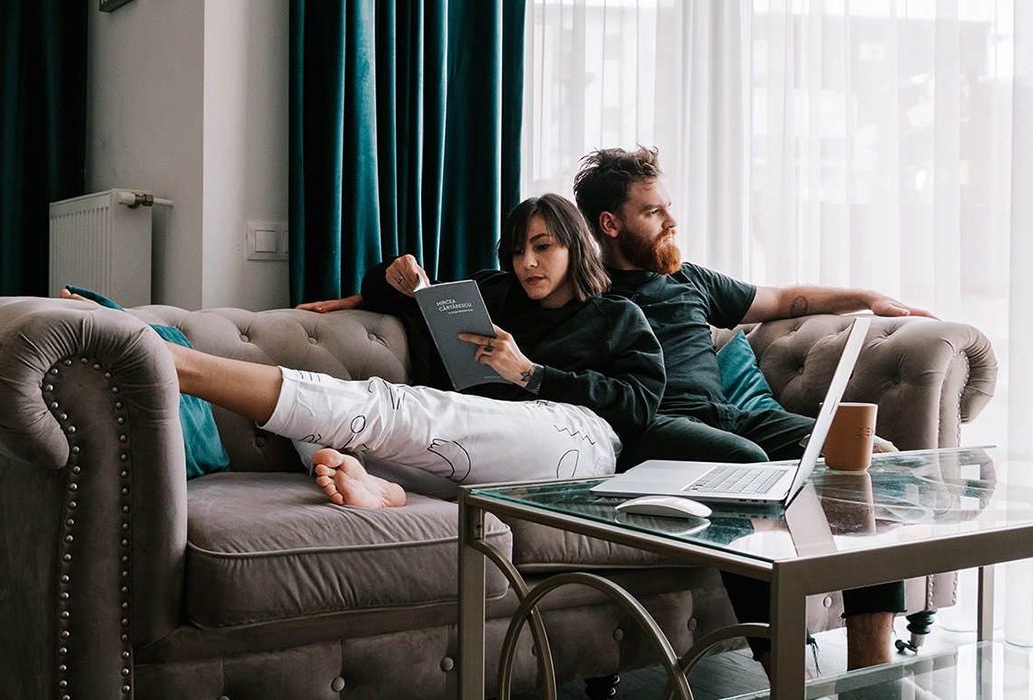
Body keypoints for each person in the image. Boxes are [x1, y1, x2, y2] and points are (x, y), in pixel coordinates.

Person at [572, 146, 936, 673]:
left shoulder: (688, 279)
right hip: (657, 425)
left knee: (861, 460)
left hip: (732, 414)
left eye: (668, 206)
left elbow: (787, 299)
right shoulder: (584, 294)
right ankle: (785, 675)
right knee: (744, 464)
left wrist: (869, 297)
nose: (671, 220)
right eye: (653, 212)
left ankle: (870, 671)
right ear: (609, 223)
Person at [75, 193, 664, 508]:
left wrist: (531, 373)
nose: (527, 263)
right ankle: (385, 487)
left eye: (543, 247)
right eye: (517, 250)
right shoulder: (494, 294)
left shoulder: (617, 317)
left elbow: (638, 406)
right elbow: (396, 295)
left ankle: (175, 363)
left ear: (576, 246)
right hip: (480, 450)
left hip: (577, 440)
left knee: (393, 407)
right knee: (328, 430)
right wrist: (401, 276)